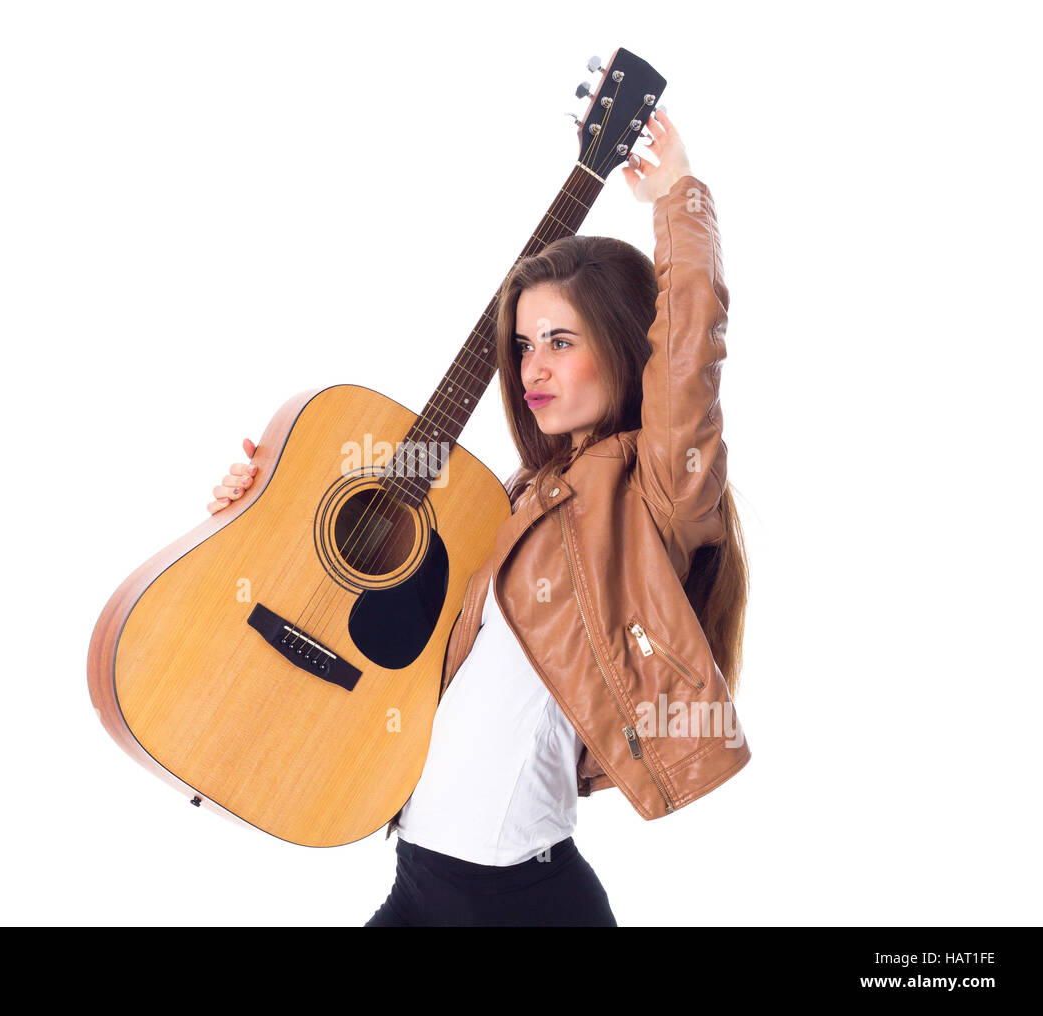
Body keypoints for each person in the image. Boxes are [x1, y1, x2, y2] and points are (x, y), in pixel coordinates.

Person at [206, 108, 750, 925]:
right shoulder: (518, 492)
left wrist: (680, 197)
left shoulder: (653, 491)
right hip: (420, 878)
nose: (533, 367)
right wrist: (267, 494)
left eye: (561, 341)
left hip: (522, 900)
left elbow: (688, 356)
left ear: (624, 341)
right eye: (525, 345)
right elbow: (384, 583)